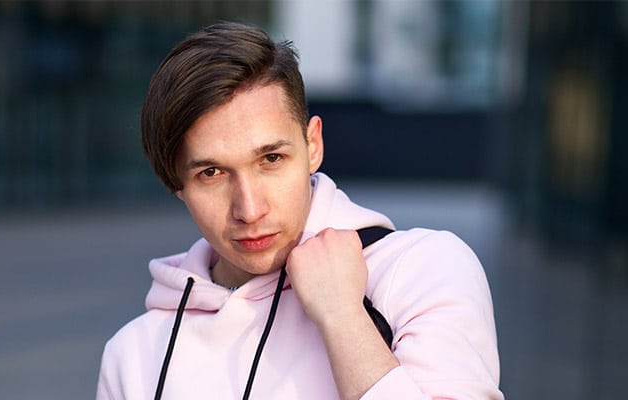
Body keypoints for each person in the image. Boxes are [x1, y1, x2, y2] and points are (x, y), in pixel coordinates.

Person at [96, 22, 503, 400]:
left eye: (270, 159)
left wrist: (343, 318)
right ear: (176, 184)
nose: (250, 209)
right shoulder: (133, 355)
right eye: (212, 172)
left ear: (313, 146)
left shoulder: (420, 272)